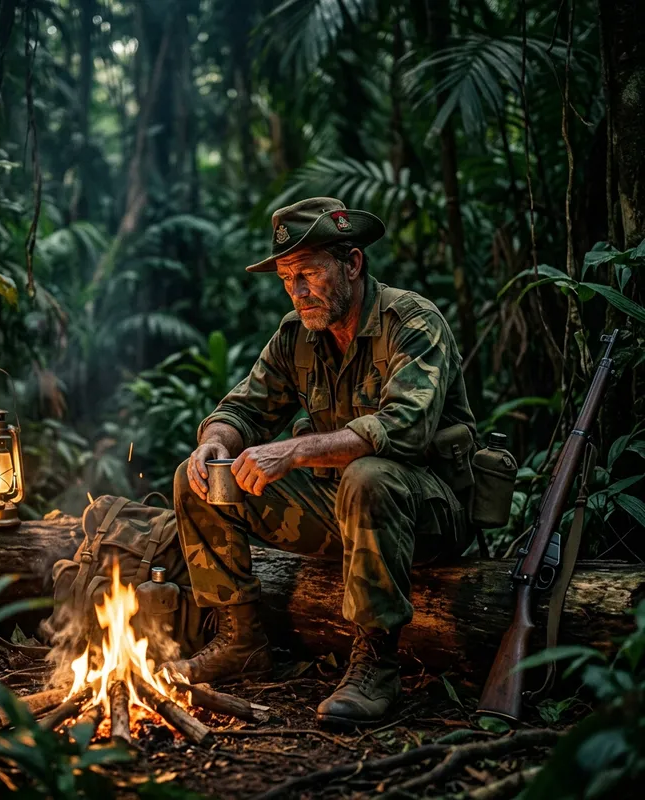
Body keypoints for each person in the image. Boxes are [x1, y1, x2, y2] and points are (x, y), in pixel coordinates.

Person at [161, 197, 477, 729]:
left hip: (425, 510)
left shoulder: (412, 320)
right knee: (198, 481)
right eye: (287, 278)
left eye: (308, 273)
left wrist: (297, 450)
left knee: (367, 475)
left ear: (352, 264)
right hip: (340, 506)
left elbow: (406, 427)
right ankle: (240, 640)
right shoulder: (297, 334)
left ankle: (375, 663)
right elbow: (243, 409)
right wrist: (215, 441)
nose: (297, 291)